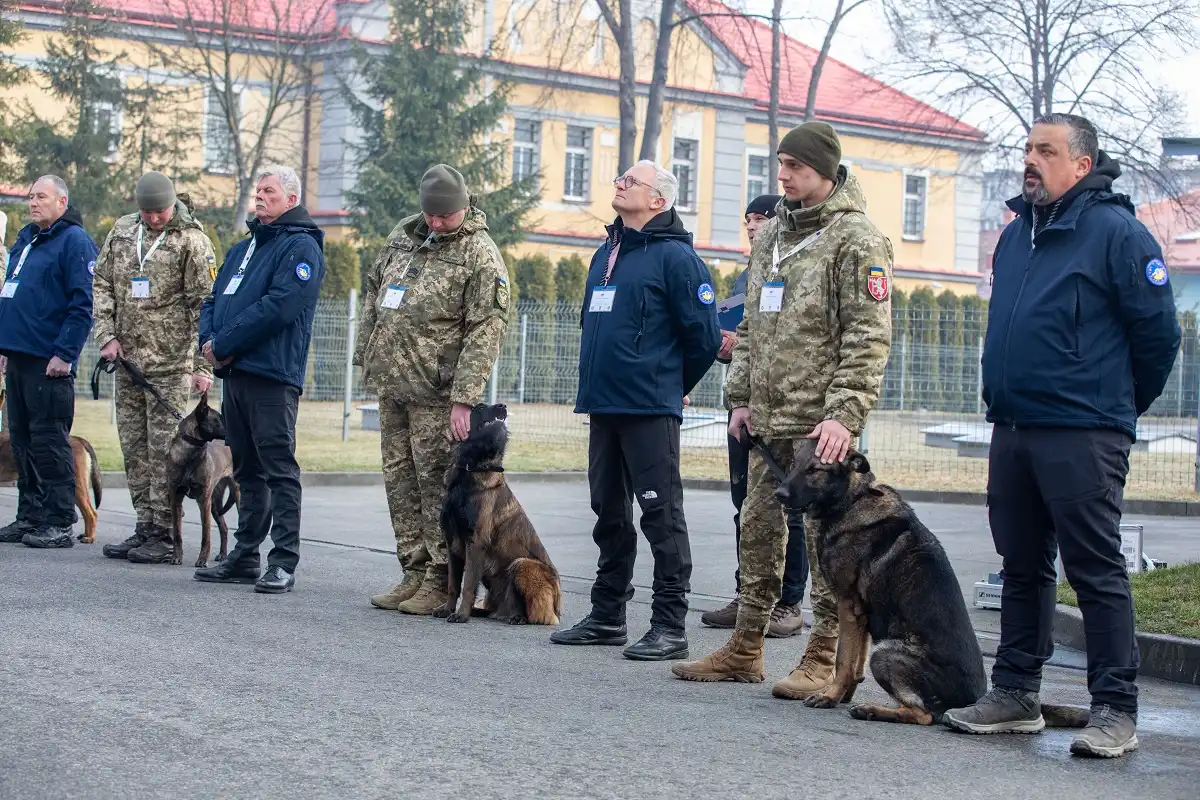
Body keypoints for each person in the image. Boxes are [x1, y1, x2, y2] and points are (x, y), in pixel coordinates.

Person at [943, 114, 1181, 759]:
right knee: (1020, 566)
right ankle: (1016, 694)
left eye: (1045, 151)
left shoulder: (1117, 234)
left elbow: (1158, 338)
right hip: (1014, 427)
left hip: (1083, 431)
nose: (1030, 160)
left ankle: (1115, 709)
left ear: (1082, 164)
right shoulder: (1018, 234)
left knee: (1096, 570)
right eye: (1026, 148)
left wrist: (1116, 407)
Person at [671, 122, 893, 690]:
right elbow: (749, 326)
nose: (784, 176)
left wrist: (843, 415)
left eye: (795, 167)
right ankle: (745, 649)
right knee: (759, 531)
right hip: (766, 421)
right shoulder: (770, 236)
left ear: (824, 170)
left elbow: (868, 337)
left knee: (824, 547)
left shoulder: (857, 239)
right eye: (781, 166)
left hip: (819, 429)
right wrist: (740, 398)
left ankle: (823, 656)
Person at [550, 159, 721, 661]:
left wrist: (669, 385)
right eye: (620, 177)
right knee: (608, 511)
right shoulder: (607, 251)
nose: (619, 183)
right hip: (604, 406)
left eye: (631, 181)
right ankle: (607, 615)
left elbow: (704, 338)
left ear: (659, 201)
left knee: (661, 516)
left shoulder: (676, 258)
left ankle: (669, 625)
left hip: (649, 408)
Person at [356, 164, 510, 615]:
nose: (438, 223)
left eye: (446, 216)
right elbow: (374, 293)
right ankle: (413, 569)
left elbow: (486, 328)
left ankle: (443, 580)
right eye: (432, 215)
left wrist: (464, 397)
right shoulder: (403, 238)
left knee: (436, 487)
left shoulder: (479, 254)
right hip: (394, 386)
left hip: (437, 393)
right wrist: (367, 356)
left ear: (465, 206)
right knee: (399, 482)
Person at [193, 165, 325, 594]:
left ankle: (283, 560)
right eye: (258, 191)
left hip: (271, 374)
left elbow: (280, 306)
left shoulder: (301, 247)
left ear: (291, 199)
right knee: (246, 469)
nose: (260, 198)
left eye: (269, 191)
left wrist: (227, 341)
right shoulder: (244, 248)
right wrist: (210, 341)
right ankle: (245, 554)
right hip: (236, 372)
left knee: (278, 469)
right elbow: (213, 299)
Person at [93, 172, 218, 564]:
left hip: (170, 367)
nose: (153, 220)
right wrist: (106, 335)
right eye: (146, 212)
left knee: (168, 452)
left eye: (159, 212)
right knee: (134, 449)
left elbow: (205, 306)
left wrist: (202, 366)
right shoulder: (123, 231)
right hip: (129, 363)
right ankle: (144, 525)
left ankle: (166, 534)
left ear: (172, 205)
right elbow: (101, 282)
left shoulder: (192, 241)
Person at [703, 193, 808, 638]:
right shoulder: (751, 275)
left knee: (792, 508)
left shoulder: (798, 266)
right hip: (745, 409)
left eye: (761, 217)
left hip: (789, 411)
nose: (752, 225)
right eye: (747, 218)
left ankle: (788, 603)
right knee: (746, 506)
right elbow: (748, 337)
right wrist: (728, 348)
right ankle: (749, 593)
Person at [0, 175, 97, 548]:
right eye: (30, 196)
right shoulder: (26, 239)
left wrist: (65, 353)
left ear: (62, 201)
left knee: (49, 442)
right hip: (20, 358)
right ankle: (31, 516)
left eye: (41, 196)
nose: (33, 202)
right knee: (22, 442)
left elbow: (82, 302)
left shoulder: (73, 241)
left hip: (48, 361)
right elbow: (13, 295)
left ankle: (58, 520)